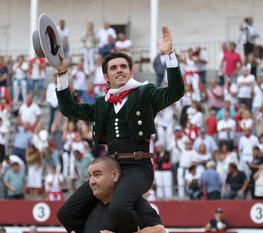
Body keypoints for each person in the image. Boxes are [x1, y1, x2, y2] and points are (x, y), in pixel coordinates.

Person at [56, 26, 184, 233]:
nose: (120, 70)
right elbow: (68, 108)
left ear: (131, 71)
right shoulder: (101, 104)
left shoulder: (145, 93)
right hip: (110, 169)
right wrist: (61, 71)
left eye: (123, 66)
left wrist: (169, 55)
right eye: (114, 68)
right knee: (66, 213)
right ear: (106, 76)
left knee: (118, 207)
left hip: (138, 167)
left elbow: (176, 91)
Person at [79, 156, 166, 233]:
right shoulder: (87, 204)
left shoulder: (132, 202)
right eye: (90, 176)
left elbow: (160, 230)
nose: (91, 182)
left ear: (115, 175)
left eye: (97, 175)